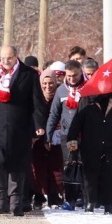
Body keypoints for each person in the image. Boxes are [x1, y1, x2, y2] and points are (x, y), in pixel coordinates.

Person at [0, 45, 48, 216]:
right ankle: (0, 202)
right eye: (2, 59)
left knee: (18, 166)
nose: (5, 62)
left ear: (16, 56)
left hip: (21, 129)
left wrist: (39, 125)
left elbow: (37, 102)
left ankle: (16, 202)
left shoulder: (29, 74)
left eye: (9, 58)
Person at [46, 60, 86, 210]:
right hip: (67, 134)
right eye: (68, 76)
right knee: (69, 166)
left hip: (85, 134)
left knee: (83, 165)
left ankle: (83, 196)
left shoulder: (88, 89)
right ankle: (70, 198)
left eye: (75, 75)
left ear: (80, 72)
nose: (71, 79)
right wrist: (48, 135)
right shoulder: (61, 90)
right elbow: (54, 114)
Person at [31, 70, 64, 208]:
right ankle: (39, 195)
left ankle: (54, 195)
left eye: (51, 83)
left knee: (55, 167)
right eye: (44, 83)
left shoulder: (59, 96)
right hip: (38, 139)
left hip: (56, 138)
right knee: (38, 168)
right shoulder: (36, 97)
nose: (48, 86)